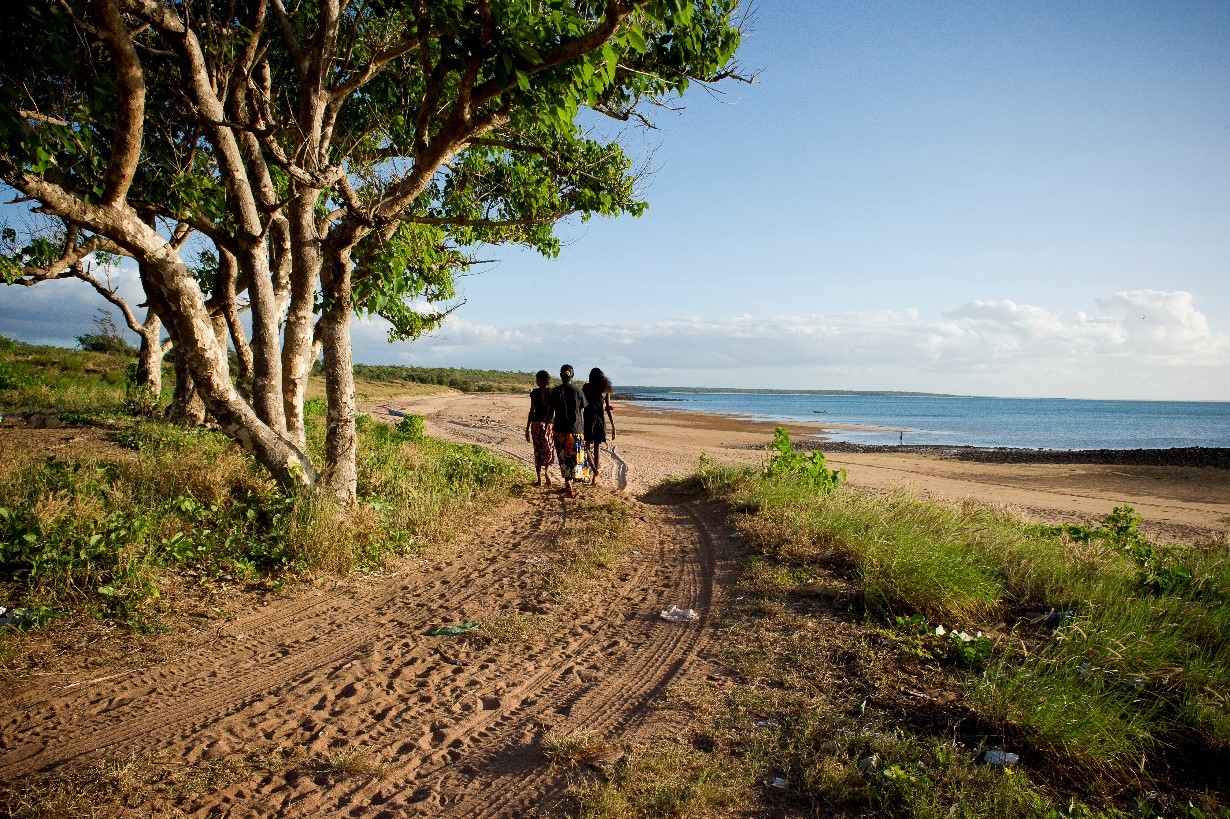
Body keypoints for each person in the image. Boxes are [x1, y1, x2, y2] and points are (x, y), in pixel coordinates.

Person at [549, 364, 589, 498]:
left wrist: (549, 427)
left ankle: (568, 484)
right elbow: (581, 412)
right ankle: (570, 483)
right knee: (574, 458)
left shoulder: (555, 391)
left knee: (564, 458)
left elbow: (551, 412)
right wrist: (583, 430)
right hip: (576, 429)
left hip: (560, 429)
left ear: (561, 375)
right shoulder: (578, 391)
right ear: (573, 375)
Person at [582, 367, 616, 485]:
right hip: (600, 420)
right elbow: (608, 408)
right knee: (596, 449)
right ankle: (594, 478)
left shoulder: (586, 387)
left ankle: (593, 470)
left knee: (586, 447)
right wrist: (613, 427)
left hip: (588, 419)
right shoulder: (605, 390)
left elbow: (581, 404)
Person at [524, 370, 555, 487]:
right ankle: (547, 471)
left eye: (537, 378)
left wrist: (527, 428)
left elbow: (532, 410)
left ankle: (539, 479)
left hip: (536, 423)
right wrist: (549, 424)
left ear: (540, 380)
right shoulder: (552, 392)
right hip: (549, 424)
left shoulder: (535, 393)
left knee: (537, 450)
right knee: (549, 449)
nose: (536, 381)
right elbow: (553, 410)